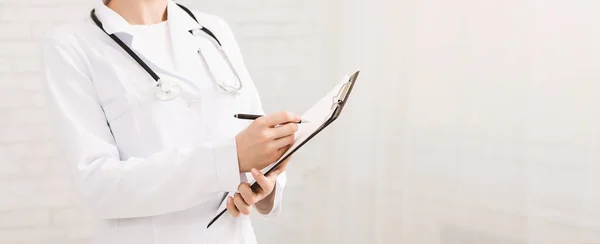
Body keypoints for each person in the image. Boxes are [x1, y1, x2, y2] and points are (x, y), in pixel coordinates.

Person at [42, 0, 299, 243]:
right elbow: (98, 187)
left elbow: (251, 133)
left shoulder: (213, 29)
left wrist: (263, 184)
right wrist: (229, 158)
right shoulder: (72, 45)